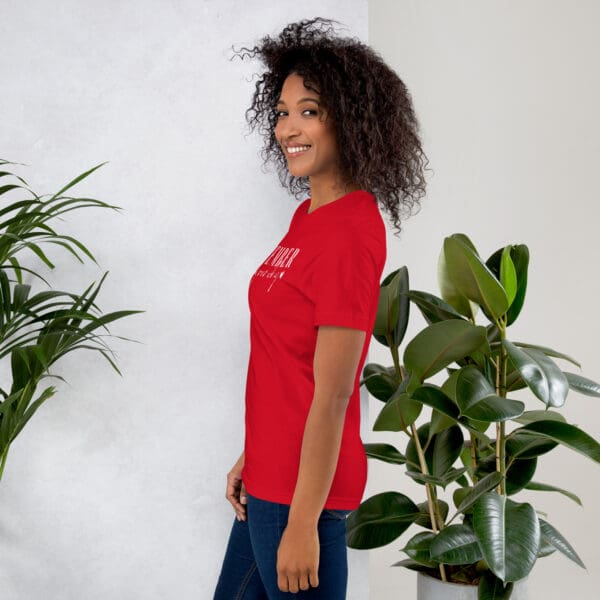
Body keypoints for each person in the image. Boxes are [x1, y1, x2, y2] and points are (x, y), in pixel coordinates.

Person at [213, 17, 427, 599]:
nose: (289, 128)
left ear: (351, 120)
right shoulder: (308, 218)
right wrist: (253, 456)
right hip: (270, 481)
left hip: (304, 498)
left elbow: (334, 394)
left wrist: (303, 523)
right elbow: (291, 362)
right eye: (282, 112)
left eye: (309, 111)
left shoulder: (352, 230)